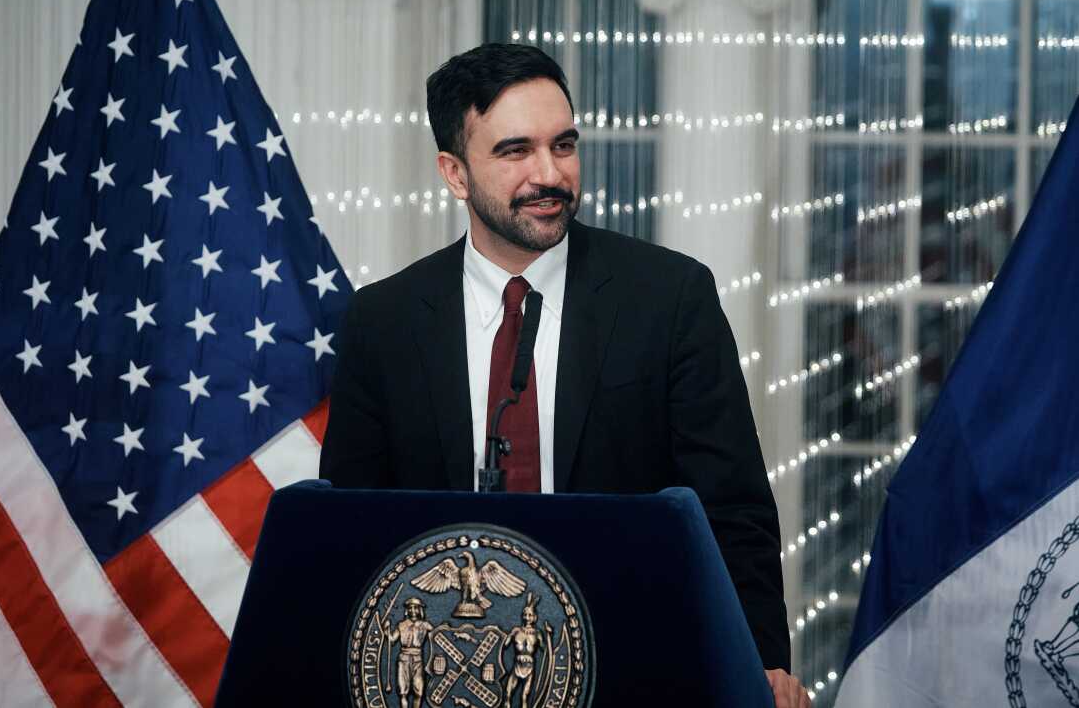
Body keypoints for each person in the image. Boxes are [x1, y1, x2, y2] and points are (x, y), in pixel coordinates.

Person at [320, 42, 809, 708]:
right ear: (454, 173)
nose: (550, 173)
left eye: (564, 145)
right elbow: (349, 528)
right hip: (449, 680)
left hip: (637, 671)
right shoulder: (383, 320)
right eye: (515, 151)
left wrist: (760, 665)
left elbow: (733, 509)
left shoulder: (669, 297)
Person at [384, 597, 434, 708]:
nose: (413, 610)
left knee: (419, 692)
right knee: (403, 692)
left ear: (419, 610)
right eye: (410, 608)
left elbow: (436, 636)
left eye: (415, 608)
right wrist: (386, 630)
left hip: (418, 659)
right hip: (403, 659)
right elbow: (392, 640)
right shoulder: (401, 625)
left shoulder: (425, 625)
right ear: (407, 610)